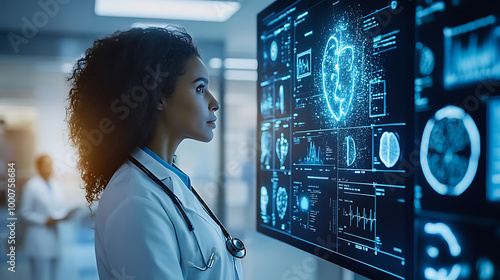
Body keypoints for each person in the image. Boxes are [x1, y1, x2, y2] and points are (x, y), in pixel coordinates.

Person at [66, 26, 244, 279]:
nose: (214, 103)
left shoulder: (165, 180)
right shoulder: (134, 200)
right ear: (159, 96)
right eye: (200, 89)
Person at [20, 155, 68, 280]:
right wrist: (43, 220)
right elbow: (24, 212)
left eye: (50, 164)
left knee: (55, 276)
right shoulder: (31, 186)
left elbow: (61, 206)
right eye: (45, 165)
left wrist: (62, 216)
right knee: (39, 276)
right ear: (38, 167)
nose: (49, 167)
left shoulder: (56, 184)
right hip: (38, 239)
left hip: (54, 237)